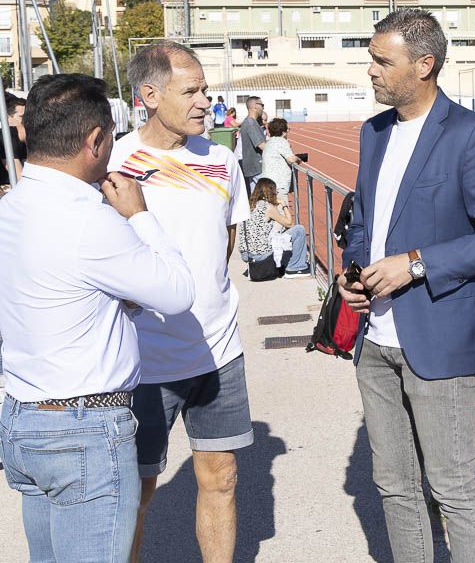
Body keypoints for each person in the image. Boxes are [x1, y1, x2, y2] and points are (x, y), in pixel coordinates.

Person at [338, 8, 475, 563]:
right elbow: (365, 222)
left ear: (425, 64)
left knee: (453, 488)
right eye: (370, 58)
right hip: (376, 339)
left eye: (380, 60)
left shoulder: (471, 134)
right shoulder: (373, 133)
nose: (369, 70)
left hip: (438, 339)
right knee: (393, 485)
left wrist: (414, 264)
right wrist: (354, 274)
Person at [0, 74, 195, 563]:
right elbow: (176, 292)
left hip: (24, 416)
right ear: (95, 140)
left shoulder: (11, 207)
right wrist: (139, 215)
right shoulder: (90, 219)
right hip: (83, 427)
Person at [112, 42, 253, 563]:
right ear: (149, 95)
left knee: (222, 477)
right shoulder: (116, 162)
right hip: (143, 362)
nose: (205, 103)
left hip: (219, 352)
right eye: (190, 91)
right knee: (137, 492)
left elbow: (226, 241)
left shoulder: (221, 158)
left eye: (205, 91)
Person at [238, 177, 310, 278]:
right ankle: (295, 268)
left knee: (278, 238)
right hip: (261, 254)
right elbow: (290, 223)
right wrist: (283, 205)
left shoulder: (249, 205)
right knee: (299, 230)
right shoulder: (267, 207)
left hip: (246, 254)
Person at [261, 117, 301, 197]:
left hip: (268, 182)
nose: (288, 131)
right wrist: (299, 159)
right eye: (287, 129)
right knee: (281, 207)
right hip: (278, 185)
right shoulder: (281, 141)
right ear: (283, 131)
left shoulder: (269, 142)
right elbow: (291, 159)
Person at [238, 96, 267, 195]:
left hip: (254, 166)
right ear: (254, 106)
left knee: (257, 198)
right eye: (262, 105)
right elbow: (261, 145)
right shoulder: (251, 123)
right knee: (261, 198)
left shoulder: (251, 122)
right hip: (256, 167)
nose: (263, 108)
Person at [0, 92, 26, 189]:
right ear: (7, 118)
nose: (26, 120)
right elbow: (18, 177)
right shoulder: (7, 137)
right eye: (22, 116)